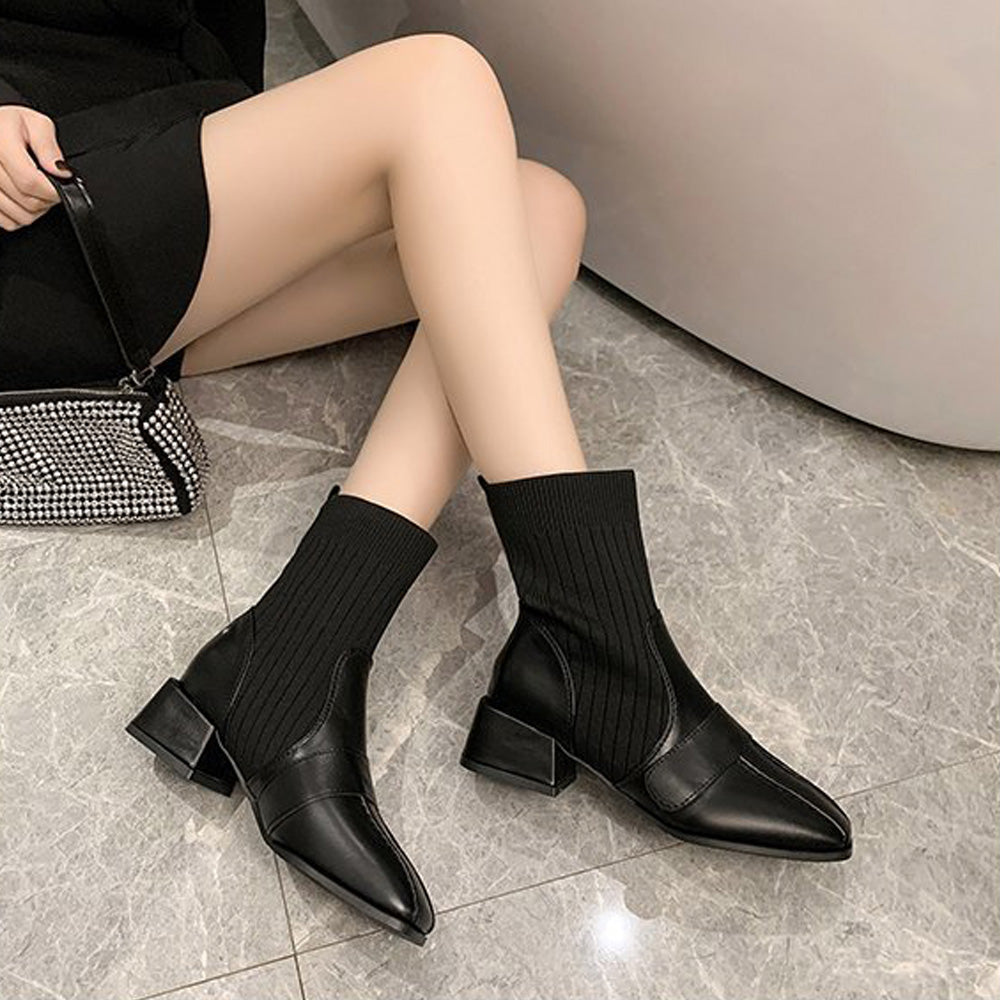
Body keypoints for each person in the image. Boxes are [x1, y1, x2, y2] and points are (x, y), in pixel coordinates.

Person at [0, 1, 851, 946]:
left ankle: (296, 649)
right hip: (32, 210)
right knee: (436, 79)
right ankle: (595, 645)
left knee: (539, 209)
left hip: (151, 187)